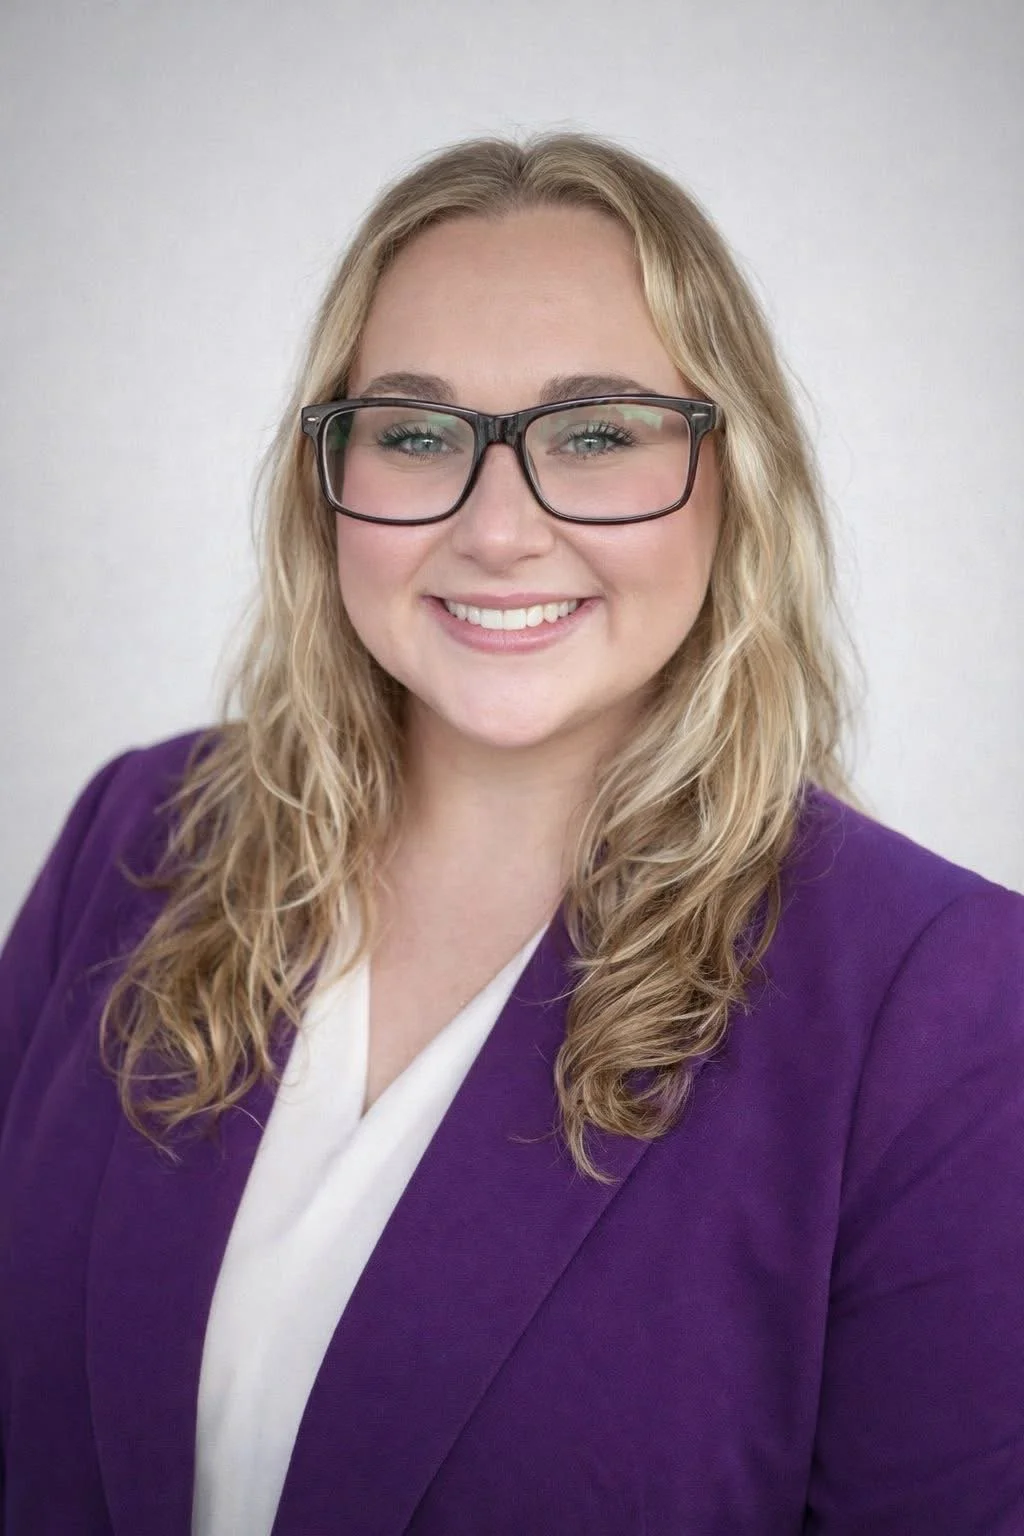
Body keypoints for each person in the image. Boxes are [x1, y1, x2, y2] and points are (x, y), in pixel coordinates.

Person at [1, 131, 1021, 1536]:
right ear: (329, 478)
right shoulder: (140, 840)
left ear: (738, 478)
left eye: (595, 434)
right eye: (417, 433)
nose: (496, 529)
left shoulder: (945, 1001)